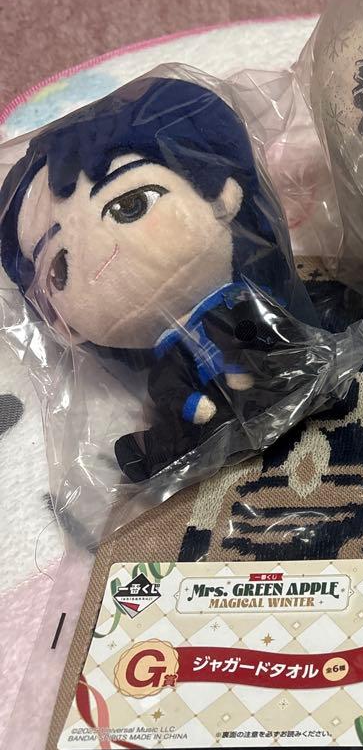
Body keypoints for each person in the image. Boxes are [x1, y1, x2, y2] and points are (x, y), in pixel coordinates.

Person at [1, 75, 325, 481]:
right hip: (206, 408)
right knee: (181, 428)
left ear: (223, 196)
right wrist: (191, 405)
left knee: (284, 363)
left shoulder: (241, 305)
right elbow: (168, 389)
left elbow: (263, 333)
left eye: (132, 204)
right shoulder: (168, 359)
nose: (100, 257)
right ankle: (154, 451)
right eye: (59, 267)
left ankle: (310, 386)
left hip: (262, 374)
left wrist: (259, 352)